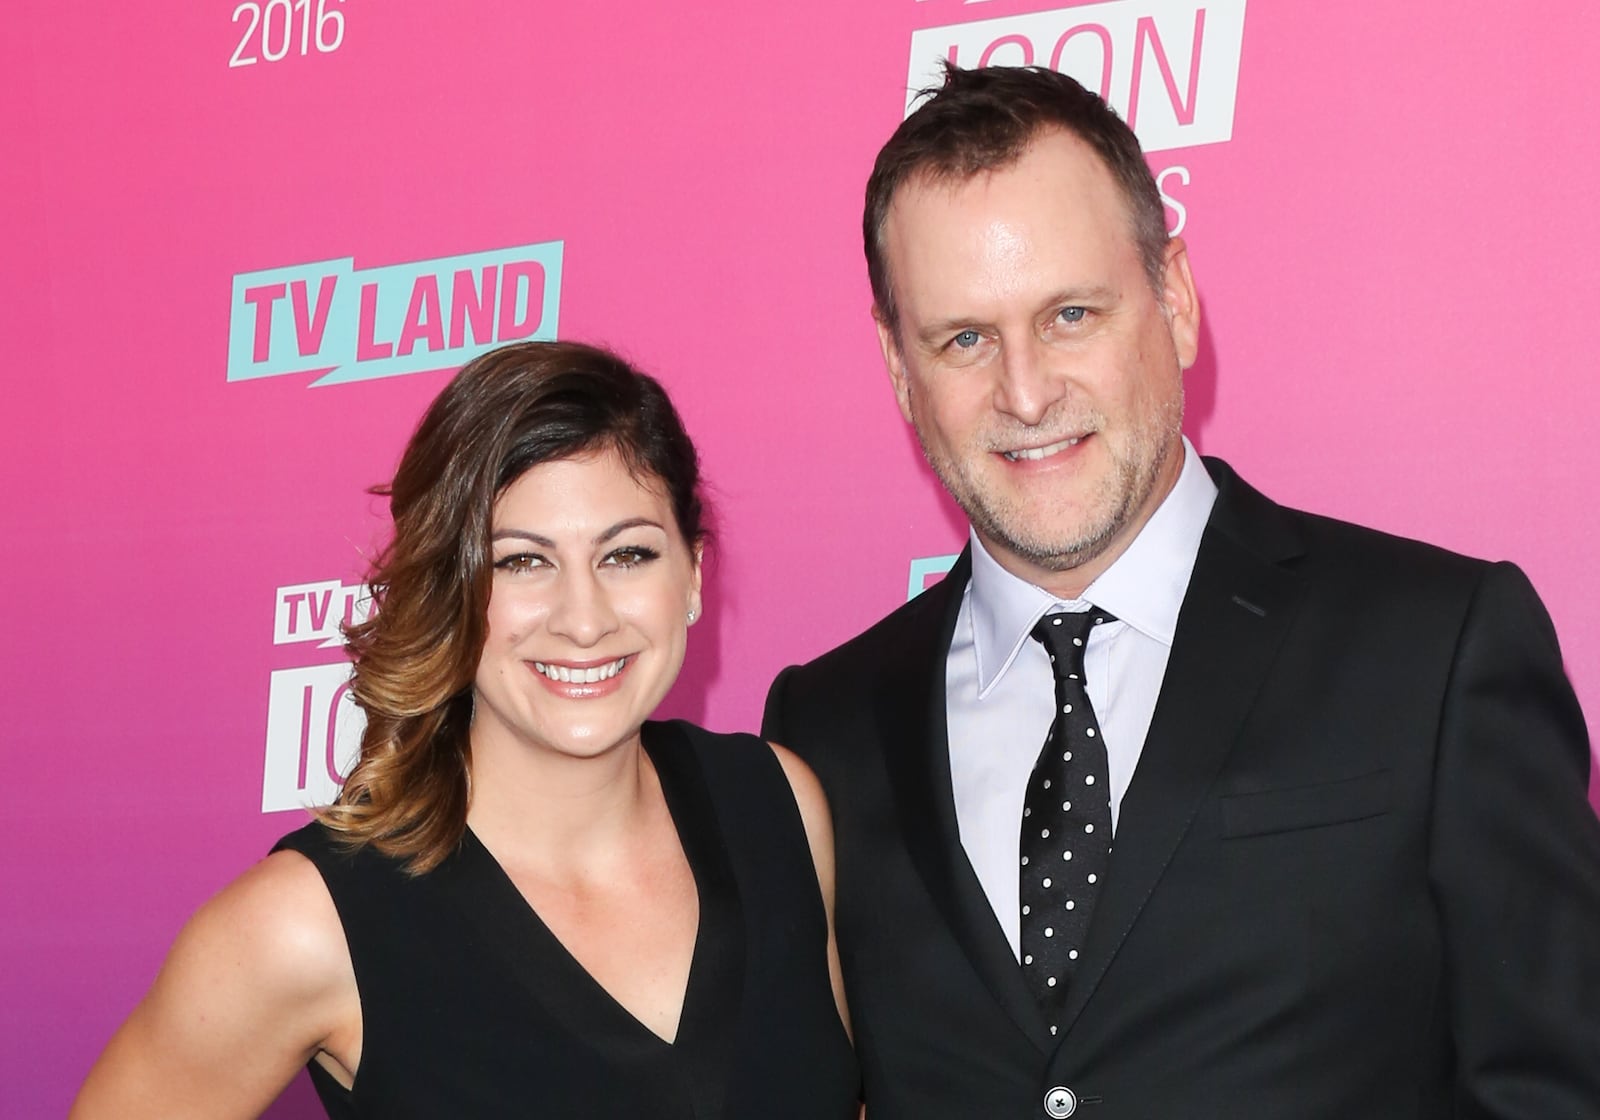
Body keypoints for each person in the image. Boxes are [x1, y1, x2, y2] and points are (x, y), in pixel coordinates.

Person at [762, 62, 1600, 1119]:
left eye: (1071, 314)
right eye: (963, 339)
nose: (1024, 391)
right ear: (897, 372)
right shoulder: (819, 731)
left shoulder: (1433, 649)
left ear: (1175, 299)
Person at [74, 341, 858, 1119]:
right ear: (448, 588)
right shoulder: (311, 923)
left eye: (626, 554)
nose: (583, 619)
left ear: (690, 573)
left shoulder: (777, 805)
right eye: (520, 562)